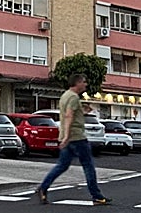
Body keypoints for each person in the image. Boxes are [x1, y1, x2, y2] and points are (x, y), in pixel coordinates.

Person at [36, 73, 111, 206]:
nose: (85, 84)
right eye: (84, 82)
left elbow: (70, 114)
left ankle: (43, 187)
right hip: (76, 137)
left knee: (62, 165)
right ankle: (97, 196)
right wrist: (67, 136)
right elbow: (69, 115)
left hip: (67, 137)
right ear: (77, 83)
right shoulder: (73, 97)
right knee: (88, 165)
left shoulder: (65, 96)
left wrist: (82, 113)